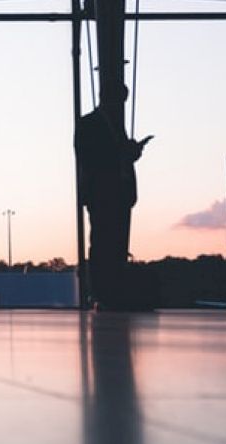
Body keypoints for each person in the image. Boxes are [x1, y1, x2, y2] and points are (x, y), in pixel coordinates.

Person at [75, 83, 151, 309]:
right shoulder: (89, 124)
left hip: (117, 193)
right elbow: (89, 158)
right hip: (102, 193)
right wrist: (124, 155)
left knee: (113, 242)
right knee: (102, 242)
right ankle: (102, 293)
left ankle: (111, 291)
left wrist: (128, 153)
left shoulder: (108, 125)